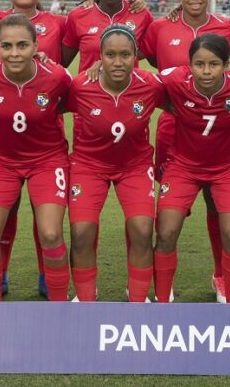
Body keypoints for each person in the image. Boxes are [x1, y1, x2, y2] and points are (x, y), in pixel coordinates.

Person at [141, 0, 230, 303]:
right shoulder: (160, 27)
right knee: (169, 215)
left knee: (219, 208)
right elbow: (145, 64)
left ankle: (221, 276)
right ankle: (163, 285)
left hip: (218, 131)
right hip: (173, 130)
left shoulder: (226, 27)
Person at [0, 0, 68, 298]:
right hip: (1, 155)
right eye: (6, 46)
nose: (14, 53)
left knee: (50, 231)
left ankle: (54, 289)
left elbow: (82, 89)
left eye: (23, 46)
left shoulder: (60, 35)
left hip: (46, 151)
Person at [154, 33, 230, 304]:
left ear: (227, 65)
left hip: (228, 168)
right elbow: (137, 82)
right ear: (189, 64)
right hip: (183, 166)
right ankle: (162, 300)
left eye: (214, 64)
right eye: (199, 64)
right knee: (166, 232)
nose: (206, 71)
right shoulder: (174, 80)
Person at [65, 24, 164, 302]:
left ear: (136, 56)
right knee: (81, 232)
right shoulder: (80, 86)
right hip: (88, 165)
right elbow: (50, 102)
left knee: (142, 230)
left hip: (135, 166)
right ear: (100, 56)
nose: (118, 62)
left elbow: (179, 97)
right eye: (110, 55)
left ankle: (138, 298)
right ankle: (86, 299)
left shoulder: (151, 84)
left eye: (125, 55)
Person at [62, 0, 153, 72]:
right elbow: (62, 62)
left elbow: (155, 56)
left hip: (129, 85)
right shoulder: (77, 16)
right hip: (87, 85)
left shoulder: (141, 13)